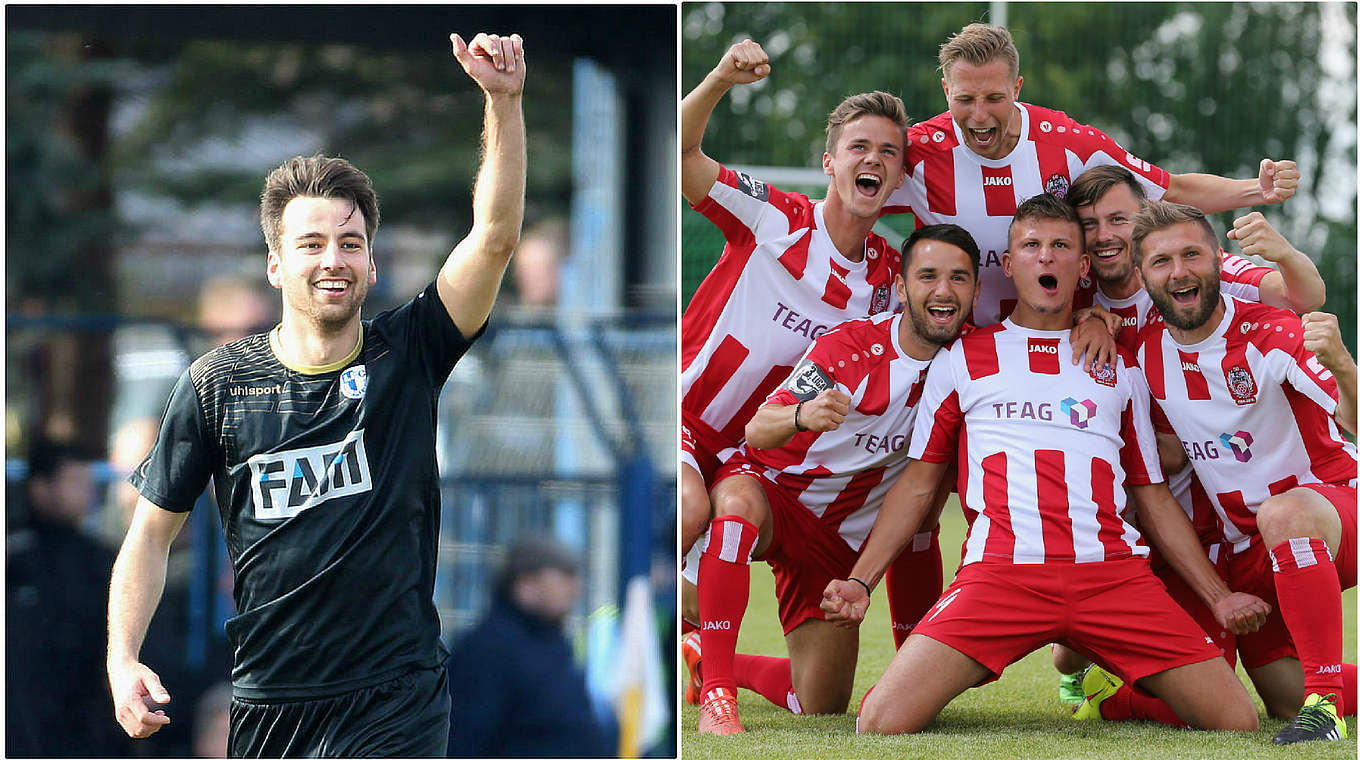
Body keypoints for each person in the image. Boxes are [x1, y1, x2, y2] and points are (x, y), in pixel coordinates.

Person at [105, 31, 526, 757]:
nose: (333, 259)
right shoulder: (217, 385)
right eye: (311, 244)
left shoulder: (412, 351)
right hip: (272, 698)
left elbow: (492, 239)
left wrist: (503, 102)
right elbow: (149, 533)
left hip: (397, 694)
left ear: (369, 260)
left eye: (351, 242)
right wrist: (121, 660)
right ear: (275, 264)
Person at [822, 194, 1270, 735]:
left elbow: (1151, 493)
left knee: (1237, 721)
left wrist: (1219, 599)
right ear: (1009, 266)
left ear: (1083, 267)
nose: (1046, 258)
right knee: (881, 722)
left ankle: (1112, 698)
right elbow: (918, 487)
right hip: (999, 577)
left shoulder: (1120, 364)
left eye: (1061, 246)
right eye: (1031, 246)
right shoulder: (962, 358)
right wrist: (860, 582)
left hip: (1112, 577)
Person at [683, 225, 979, 734]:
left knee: (819, 702)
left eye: (959, 278)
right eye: (928, 276)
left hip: (836, 543)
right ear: (904, 288)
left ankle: (699, 658)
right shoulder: (849, 346)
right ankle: (717, 697)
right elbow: (758, 429)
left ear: (976, 289)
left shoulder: (979, 360)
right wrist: (803, 415)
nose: (944, 290)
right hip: (774, 492)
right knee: (733, 512)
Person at [1049, 163, 1327, 705]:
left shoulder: (1194, 270)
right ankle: (1094, 670)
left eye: (1118, 219)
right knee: (1070, 651)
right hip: (1149, 516)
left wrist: (1286, 254)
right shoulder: (1076, 302)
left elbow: (1301, 296)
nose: (1104, 235)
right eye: (1089, 224)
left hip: (1231, 510)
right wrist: (1085, 321)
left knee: (1268, 695)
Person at [882, 23, 1302, 328]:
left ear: (1018, 88)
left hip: (1068, 337)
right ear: (945, 92)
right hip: (958, 343)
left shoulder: (1070, 143)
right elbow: (854, 199)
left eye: (994, 98)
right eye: (965, 99)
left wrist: (1257, 190)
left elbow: (1169, 189)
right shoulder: (917, 150)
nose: (979, 115)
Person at [1131, 200, 1357, 744]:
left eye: (1192, 255)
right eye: (1161, 262)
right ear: (1141, 277)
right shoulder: (1144, 353)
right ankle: (1314, 695)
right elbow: (1164, 457)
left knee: (1285, 511)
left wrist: (1345, 366)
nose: (1179, 271)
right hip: (1245, 549)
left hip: (1334, 511)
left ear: (1218, 261)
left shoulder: (1271, 332)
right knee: (1278, 693)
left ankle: (1324, 710)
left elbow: (1353, 418)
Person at [7, 439, 128, 758]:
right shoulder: (14, 559)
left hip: (87, 718)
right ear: (40, 487)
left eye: (87, 483)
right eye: (74, 482)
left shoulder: (101, 558)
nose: (85, 493)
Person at [445, 536, 614, 757]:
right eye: (565, 577)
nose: (575, 589)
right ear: (526, 585)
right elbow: (468, 738)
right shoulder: (488, 650)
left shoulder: (550, 641)